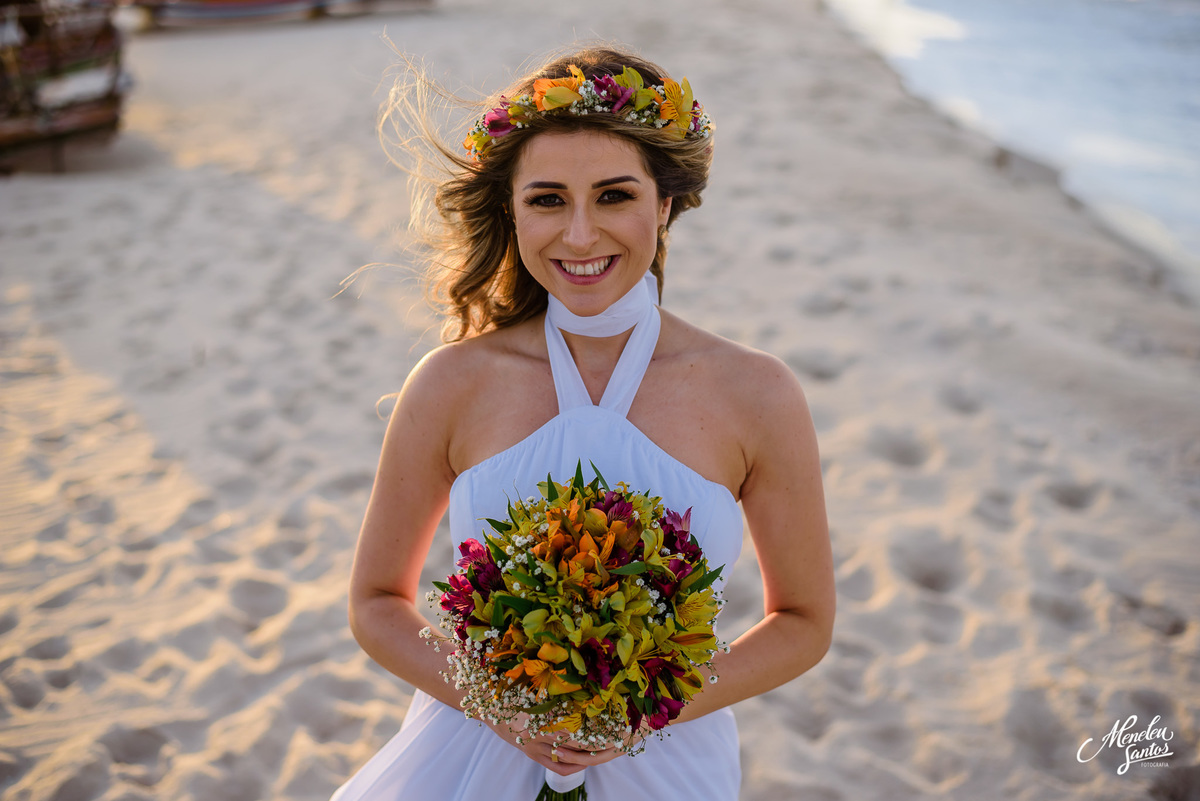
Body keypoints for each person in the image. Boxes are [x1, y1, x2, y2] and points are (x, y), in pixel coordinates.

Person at [332, 44, 835, 801]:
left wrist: (652, 706)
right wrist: (497, 704)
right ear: (511, 209)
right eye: (546, 199)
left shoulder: (756, 393)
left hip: (670, 767)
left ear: (664, 203)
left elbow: (803, 619)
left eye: (612, 196)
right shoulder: (450, 384)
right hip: (466, 761)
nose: (578, 235)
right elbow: (375, 602)